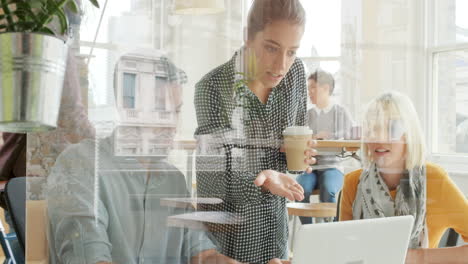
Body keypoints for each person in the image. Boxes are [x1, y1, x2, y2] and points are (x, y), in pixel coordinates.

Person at [47, 54, 244, 264]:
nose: (172, 125)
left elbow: (204, 256)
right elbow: (91, 258)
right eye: (160, 110)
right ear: (126, 107)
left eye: (175, 111)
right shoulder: (81, 165)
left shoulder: (173, 180)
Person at [194, 0, 317, 263]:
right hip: (229, 242)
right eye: (272, 48)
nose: (282, 65)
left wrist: (298, 158)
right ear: (248, 38)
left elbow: (291, 155)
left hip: (276, 237)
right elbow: (213, 181)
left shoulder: (295, 74)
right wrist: (263, 182)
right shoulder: (213, 87)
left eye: (291, 51)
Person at [339, 91, 468, 262]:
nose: (380, 138)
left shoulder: (435, 180)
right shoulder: (352, 182)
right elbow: (344, 250)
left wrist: (418, 257)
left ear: (409, 134)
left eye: (391, 128)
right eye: (373, 128)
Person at [296, 69, 353, 224]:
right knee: (300, 191)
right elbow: (298, 139)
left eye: (313, 88)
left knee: (328, 190)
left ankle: (331, 231)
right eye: (308, 88)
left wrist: (331, 137)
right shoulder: (307, 115)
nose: (310, 92)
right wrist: (314, 137)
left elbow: (350, 137)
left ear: (326, 88)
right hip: (310, 168)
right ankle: (309, 232)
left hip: (332, 166)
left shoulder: (340, 113)